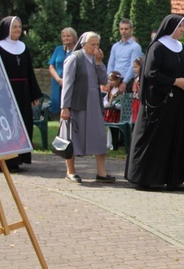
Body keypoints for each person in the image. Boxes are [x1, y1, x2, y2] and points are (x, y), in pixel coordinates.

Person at [128, 14, 184, 190]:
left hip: (177, 102)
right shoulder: (157, 47)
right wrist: (174, 81)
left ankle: (175, 179)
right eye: (180, 26)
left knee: (176, 138)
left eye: (183, 26)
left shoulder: (180, 48)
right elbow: (151, 73)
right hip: (159, 102)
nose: (182, 30)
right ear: (171, 27)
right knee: (154, 139)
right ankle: (144, 178)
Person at [60, 32, 116, 183]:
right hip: (77, 104)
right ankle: (70, 171)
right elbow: (67, 84)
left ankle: (101, 172)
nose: (96, 47)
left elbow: (104, 81)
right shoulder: (74, 58)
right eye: (93, 44)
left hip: (94, 104)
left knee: (99, 136)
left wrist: (99, 63)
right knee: (72, 137)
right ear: (84, 44)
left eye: (98, 44)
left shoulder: (95, 59)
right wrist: (65, 107)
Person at [0, 16, 43, 172]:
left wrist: (34, 95)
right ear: (7, 28)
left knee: (22, 125)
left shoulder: (23, 47)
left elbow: (29, 72)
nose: (18, 30)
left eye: (19, 27)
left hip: (23, 92)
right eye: (14, 27)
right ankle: (2, 161)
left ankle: (18, 159)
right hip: (4, 93)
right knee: (6, 126)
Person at [107, 19, 143, 93]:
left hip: (127, 82)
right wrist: (110, 79)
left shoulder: (135, 47)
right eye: (121, 29)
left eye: (126, 29)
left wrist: (125, 82)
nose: (123, 31)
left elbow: (132, 66)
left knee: (125, 104)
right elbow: (111, 64)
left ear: (131, 29)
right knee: (111, 104)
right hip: (114, 80)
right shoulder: (115, 46)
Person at [47, 27, 78, 116]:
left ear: (74, 37)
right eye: (64, 36)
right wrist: (59, 79)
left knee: (70, 108)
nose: (66, 38)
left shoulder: (77, 51)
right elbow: (51, 66)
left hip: (72, 84)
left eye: (68, 36)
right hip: (58, 83)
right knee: (58, 109)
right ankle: (61, 129)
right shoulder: (58, 49)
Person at [131, 57, 142, 123]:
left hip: (140, 101)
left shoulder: (142, 78)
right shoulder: (136, 78)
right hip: (135, 101)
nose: (134, 69)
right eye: (133, 67)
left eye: (136, 67)